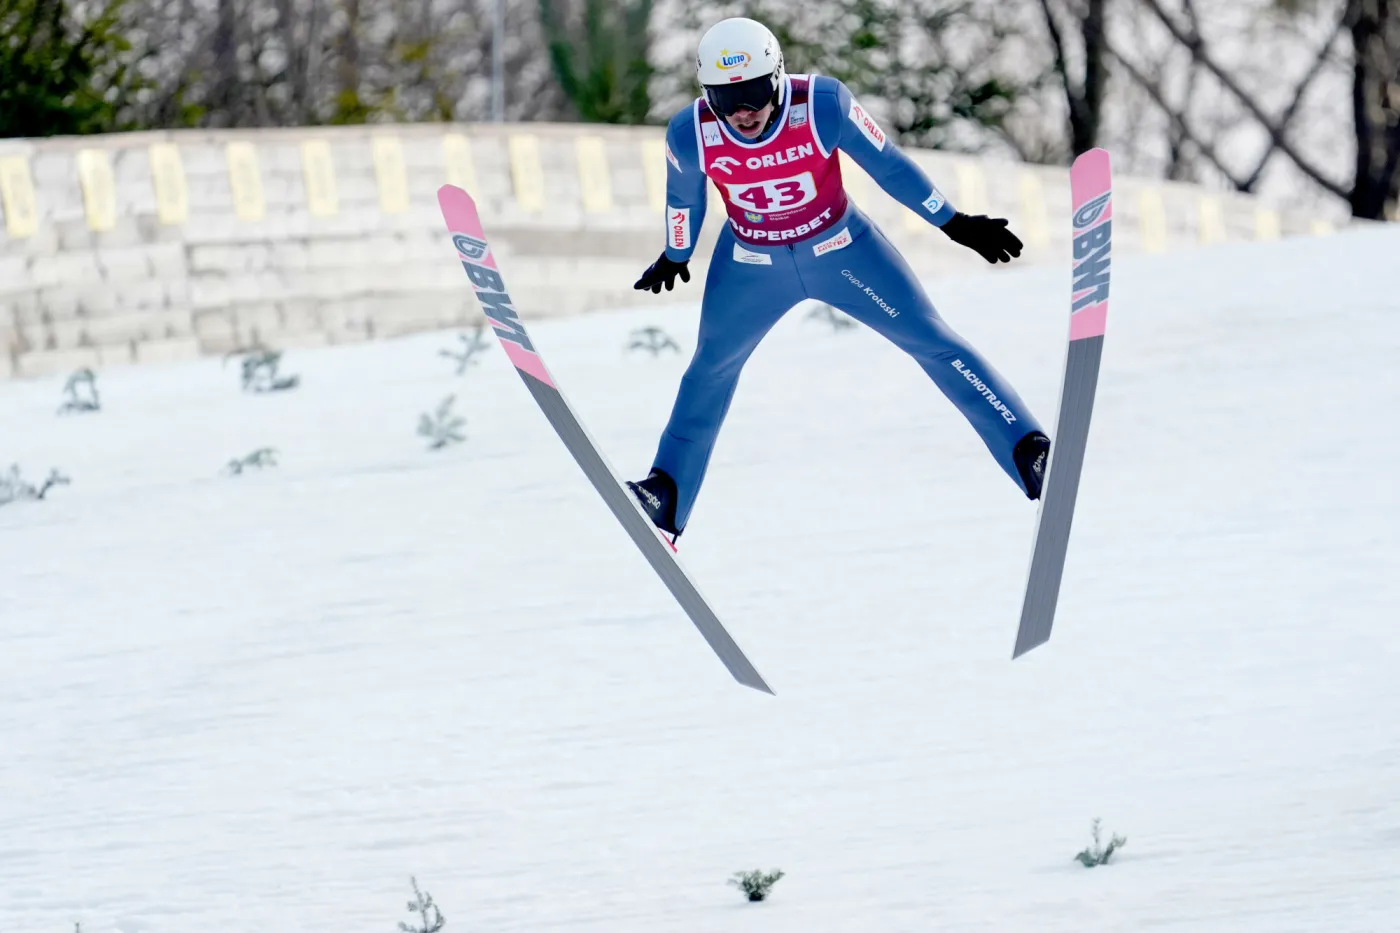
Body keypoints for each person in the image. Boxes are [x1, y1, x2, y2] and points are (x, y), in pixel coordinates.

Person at [627, 16, 1049, 543]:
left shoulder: (822, 105)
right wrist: (675, 253)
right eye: (725, 98)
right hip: (751, 266)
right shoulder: (690, 133)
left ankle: (1026, 449)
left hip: (845, 252)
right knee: (711, 368)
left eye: (755, 92)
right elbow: (684, 197)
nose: (743, 112)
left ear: (777, 77)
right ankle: (667, 493)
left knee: (933, 341)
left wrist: (953, 221)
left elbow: (889, 166)